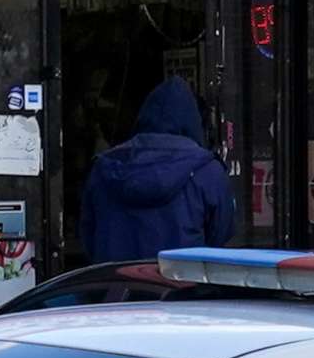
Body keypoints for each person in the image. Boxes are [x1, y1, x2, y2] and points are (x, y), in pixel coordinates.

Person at [79, 76, 236, 262]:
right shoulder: (208, 171)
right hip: (182, 284)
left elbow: (89, 236)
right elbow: (221, 235)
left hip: (116, 285)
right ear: (194, 121)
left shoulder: (104, 167)